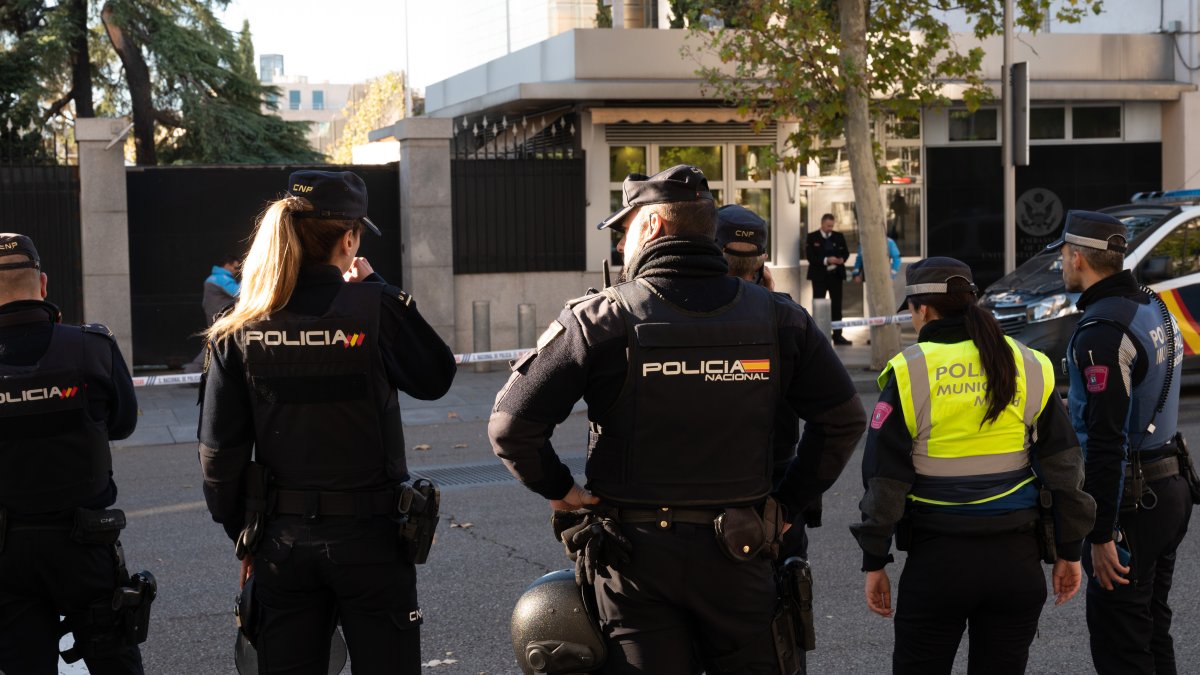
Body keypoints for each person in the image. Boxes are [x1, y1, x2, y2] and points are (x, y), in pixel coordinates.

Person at [490, 165, 866, 673]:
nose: (621, 247)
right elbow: (843, 421)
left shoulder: (599, 319)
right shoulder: (780, 317)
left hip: (634, 567)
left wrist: (560, 489)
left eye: (624, 231)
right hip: (743, 550)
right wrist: (786, 504)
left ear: (652, 226)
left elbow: (511, 428)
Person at [198, 171, 457, 674]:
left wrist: (244, 534)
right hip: (372, 541)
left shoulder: (239, 325)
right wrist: (377, 288)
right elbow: (436, 376)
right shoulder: (375, 308)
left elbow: (217, 458)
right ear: (350, 238)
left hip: (281, 544)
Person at [851, 256, 1096, 675]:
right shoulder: (1029, 363)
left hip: (939, 564)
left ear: (922, 309)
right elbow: (1066, 467)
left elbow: (884, 482)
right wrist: (1069, 552)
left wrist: (875, 560)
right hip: (1016, 563)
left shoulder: (911, 371)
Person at [1047, 211, 1192, 675]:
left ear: (1077, 258)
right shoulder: (1154, 305)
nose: (1062, 267)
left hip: (1133, 505)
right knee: (1150, 627)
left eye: (1064, 259)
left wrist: (1101, 533)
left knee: (1122, 645)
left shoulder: (1102, 331)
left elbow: (1107, 443)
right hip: (1169, 486)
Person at [0, 233, 150, 674]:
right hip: (83, 543)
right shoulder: (91, 347)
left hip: (5, 551)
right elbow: (123, 424)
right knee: (113, 660)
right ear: (43, 285)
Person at [716, 204, 818, 564]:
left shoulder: (687, 316)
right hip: (776, 487)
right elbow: (840, 420)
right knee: (782, 599)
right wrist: (793, 503)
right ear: (761, 262)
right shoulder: (789, 318)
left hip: (706, 491)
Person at [184, 253, 242, 373]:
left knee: (218, 342)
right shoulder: (221, 278)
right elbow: (238, 292)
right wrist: (248, 277)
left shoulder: (215, 278)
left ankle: (195, 371)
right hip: (221, 319)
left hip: (219, 318)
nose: (238, 271)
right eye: (236, 268)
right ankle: (192, 371)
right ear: (227, 266)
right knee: (216, 342)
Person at [805, 213, 851, 345]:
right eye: (828, 226)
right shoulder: (812, 237)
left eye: (832, 226)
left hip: (836, 276)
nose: (830, 228)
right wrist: (826, 260)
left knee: (837, 306)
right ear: (822, 224)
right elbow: (810, 257)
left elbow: (846, 253)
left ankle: (838, 336)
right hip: (819, 277)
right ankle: (817, 336)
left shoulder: (839, 236)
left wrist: (842, 259)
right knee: (818, 305)